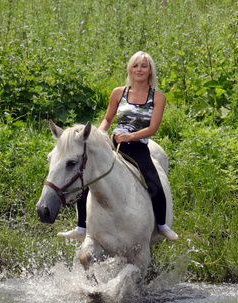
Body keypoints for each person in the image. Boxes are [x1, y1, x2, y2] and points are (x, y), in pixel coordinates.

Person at [58, 51, 178, 243]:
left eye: (144, 66)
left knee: (153, 180)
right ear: (130, 69)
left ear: (150, 71)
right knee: (86, 176)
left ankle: (162, 226)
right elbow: (107, 119)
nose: (139, 70)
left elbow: (153, 128)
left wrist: (131, 136)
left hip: (138, 146)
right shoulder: (118, 92)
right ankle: (81, 227)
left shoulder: (157, 97)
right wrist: (100, 134)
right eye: (135, 66)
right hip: (114, 144)